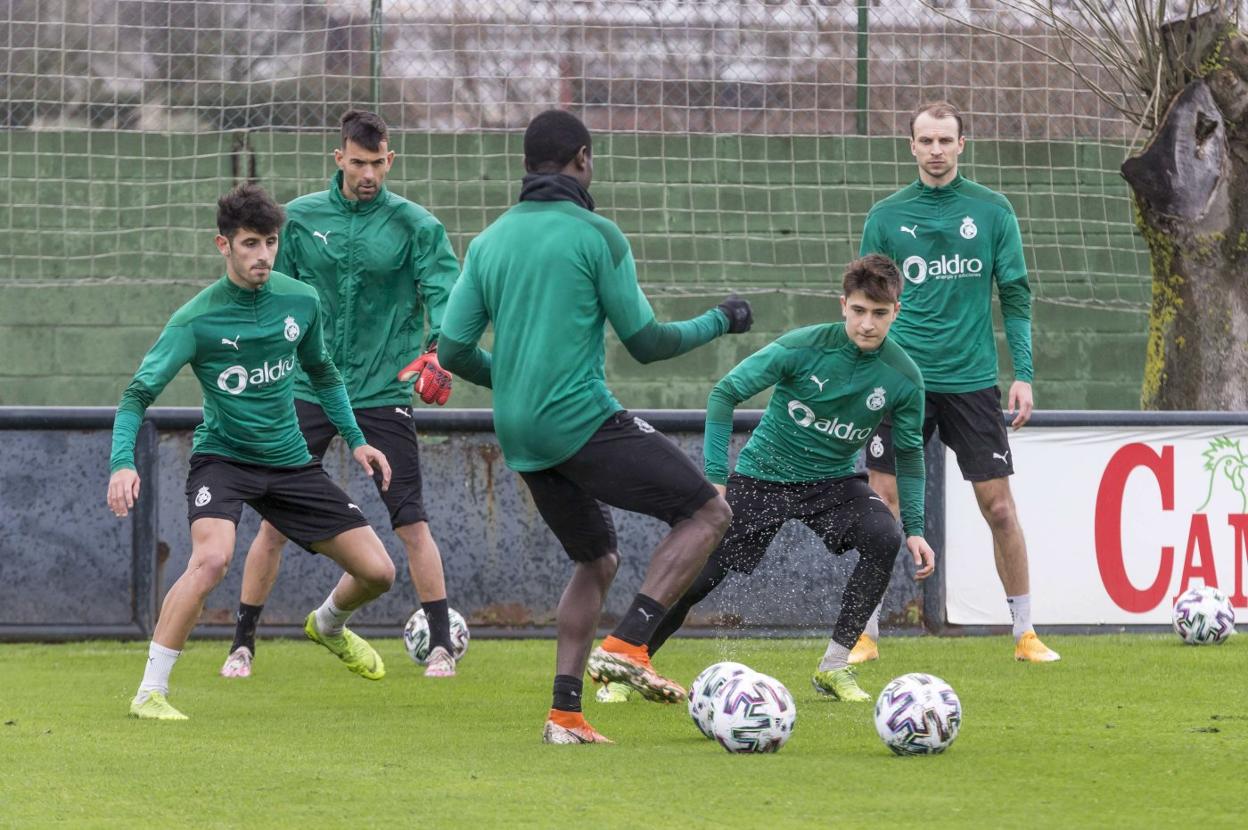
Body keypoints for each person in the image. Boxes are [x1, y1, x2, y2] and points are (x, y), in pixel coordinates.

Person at [437, 109, 753, 744]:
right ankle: (632, 641)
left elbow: (451, 352)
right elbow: (648, 343)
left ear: (527, 165)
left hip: (521, 436)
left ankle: (565, 714)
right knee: (709, 514)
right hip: (578, 418)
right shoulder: (597, 235)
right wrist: (723, 318)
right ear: (582, 158)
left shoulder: (489, 242)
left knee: (596, 557)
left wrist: (520, 381)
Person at [108, 183, 397, 721]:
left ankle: (329, 623)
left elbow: (325, 374)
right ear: (224, 246)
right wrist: (122, 461)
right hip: (224, 460)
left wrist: (357, 441)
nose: (263, 254)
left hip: (289, 462)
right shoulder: (196, 319)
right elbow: (136, 395)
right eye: (249, 244)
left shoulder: (300, 300)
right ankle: (150, 691)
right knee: (212, 559)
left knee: (380, 573)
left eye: (269, 242)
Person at [608, 254, 934, 704]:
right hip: (763, 477)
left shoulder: (904, 378)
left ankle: (835, 667)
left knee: (884, 534)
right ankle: (629, 662)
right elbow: (724, 393)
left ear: (896, 311)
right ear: (843, 305)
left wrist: (915, 528)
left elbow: (911, 453)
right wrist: (717, 479)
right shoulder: (801, 347)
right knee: (699, 578)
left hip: (833, 483)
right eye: (859, 311)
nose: (867, 324)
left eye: (879, 314)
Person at [219, 110, 463, 681]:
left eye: (378, 163)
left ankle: (441, 645)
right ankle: (242, 643)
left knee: (411, 522)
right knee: (275, 524)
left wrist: (436, 349)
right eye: (358, 163)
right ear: (339, 159)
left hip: (383, 391)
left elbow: (446, 295)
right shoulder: (299, 220)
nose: (368, 174)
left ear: (390, 160)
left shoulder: (416, 225)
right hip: (306, 387)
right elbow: (271, 289)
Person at [849, 100, 1059, 664]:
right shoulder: (886, 216)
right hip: (901, 380)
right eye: (926, 141)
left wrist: (1025, 376)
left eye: (946, 140)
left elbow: (1015, 294)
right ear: (912, 146)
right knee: (881, 503)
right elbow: (864, 306)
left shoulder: (991, 211)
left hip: (971, 383)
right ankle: (866, 633)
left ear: (961, 145)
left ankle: (1025, 634)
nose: (936, 150)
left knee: (999, 507)